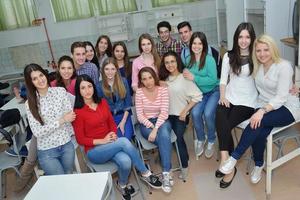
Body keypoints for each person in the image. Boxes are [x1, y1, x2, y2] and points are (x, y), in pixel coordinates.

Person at [219, 34, 300, 185]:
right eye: (258, 51)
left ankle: (234, 157)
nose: (262, 54)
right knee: (259, 129)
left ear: (273, 50)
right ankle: (258, 164)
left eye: (266, 50)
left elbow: (281, 97)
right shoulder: (258, 66)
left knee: (257, 121)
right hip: (263, 103)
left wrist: (261, 111)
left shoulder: (284, 66)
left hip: (287, 107)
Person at [72, 74, 162, 200]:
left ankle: (122, 184)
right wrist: (103, 140)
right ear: (78, 91)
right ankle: (145, 172)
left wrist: (113, 132)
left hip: (111, 144)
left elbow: (111, 123)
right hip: (94, 151)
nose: (87, 91)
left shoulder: (102, 102)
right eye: (83, 88)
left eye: (89, 86)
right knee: (124, 141)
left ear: (93, 87)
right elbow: (80, 139)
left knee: (126, 162)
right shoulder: (78, 112)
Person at [215, 22, 257, 188]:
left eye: (247, 37)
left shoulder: (256, 56)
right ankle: (227, 162)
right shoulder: (229, 56)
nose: (244, 40)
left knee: (225, 124)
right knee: (219, 116)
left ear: (252, 38)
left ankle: (227, 166)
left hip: (247, 102)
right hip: (229, 97)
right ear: (236, 38)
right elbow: (223, 79)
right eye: (241, 36)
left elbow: (271, 67)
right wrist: (223, 96)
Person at [24, 63, 75, 175]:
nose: (40, 80)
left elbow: (70, 116)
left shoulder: (60, 91)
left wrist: (62, 120)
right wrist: (61, 120)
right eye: (34, 79)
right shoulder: (30, 103)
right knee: (60, 181)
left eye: (41, 75)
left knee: (69, 175)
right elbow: (37, 132)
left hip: (66, 144)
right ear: (31, 82)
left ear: (45, 75)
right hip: (47, 151)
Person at [159, 51, 202, 180]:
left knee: (177, 138)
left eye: (172, 61)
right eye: (167, 62)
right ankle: (166, 161)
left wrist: (185, 111)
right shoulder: (163, 79)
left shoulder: (184, 77)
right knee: (165, 137)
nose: (170, 64)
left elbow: (198, 96)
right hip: (166, 116)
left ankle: (184, 165)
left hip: (180, 115)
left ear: (177, 61)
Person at [181, 32, 220, 159]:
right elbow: (187, 78)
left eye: (199, 43)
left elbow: (213, 80)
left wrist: (194, 77)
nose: (196, 46)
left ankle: (211, 140)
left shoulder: (209, 59)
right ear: (190, 45)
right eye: (194, 43)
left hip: (214, 91)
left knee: (208, 114)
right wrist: (185, 74)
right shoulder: (188, 60)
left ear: (204, 45)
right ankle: (201, 139)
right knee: (195, 113)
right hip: (199, 94)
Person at [135, 67, 173, 193]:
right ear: (141, 81)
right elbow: (140, 116)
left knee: (163, 135)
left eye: (150, 77)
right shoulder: (139, 93)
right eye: (144, 79)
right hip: (146, 124)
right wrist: (152, 127)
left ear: (154, 77)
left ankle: (166, 173)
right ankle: (168, 168)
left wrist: (156, 129)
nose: (148, 81)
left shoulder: (163, 90)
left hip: (162, 121)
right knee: (165, 139)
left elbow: (164, 112)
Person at [99, 57, 134, 140]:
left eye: (112, 69)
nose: (110, 72)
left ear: (116, 70)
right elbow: (100, 107)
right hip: (109, 119)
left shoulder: (123, 81)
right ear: (103, 70)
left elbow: (128, 104)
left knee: (126, 139)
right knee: (116, 141)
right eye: (107, 69)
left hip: (124, 116)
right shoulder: (99, 86)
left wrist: (123, 121)